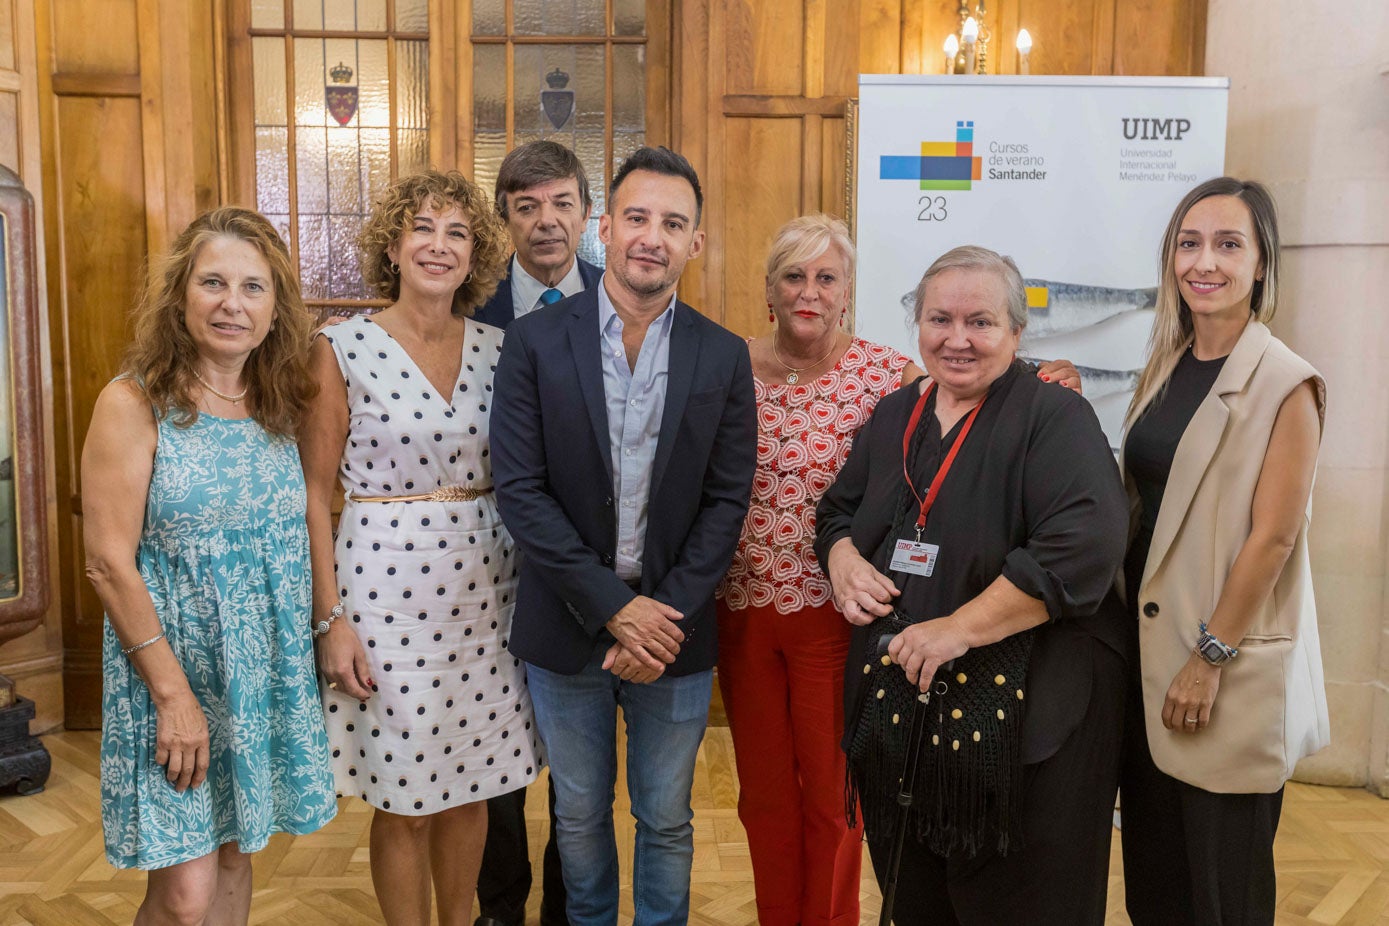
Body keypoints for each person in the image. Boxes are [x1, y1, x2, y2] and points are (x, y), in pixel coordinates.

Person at [717, 215, 1083, 926]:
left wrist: (1047, 373)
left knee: (834, 795)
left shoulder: (889, 374)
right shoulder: (729, 366)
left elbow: (975, 382)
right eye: (793, 275)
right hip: (743, 607)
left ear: (848, 290)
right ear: (769, 288)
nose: (809, 292)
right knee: (761, 794)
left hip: (840, 614)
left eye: (826, 278)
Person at [815, 245, 1129, 925]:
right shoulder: (897, 413)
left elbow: (1085, 546)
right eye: (939, 319)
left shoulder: (1054, 416)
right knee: (919, 902)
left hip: (1025, 737)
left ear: (1016, 333)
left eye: (979, 322)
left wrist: (959, 629)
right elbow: (837, 509)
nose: (956, 339)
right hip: (906, 726)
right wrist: (840, 558)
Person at [491, 146, 757, 925]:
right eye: (637, 217)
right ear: (605, 227)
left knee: (667, 819)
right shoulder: (534, 343)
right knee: (574, 818)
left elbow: (725, 501)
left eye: (673, 223)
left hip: (673, 636)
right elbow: (522, 492)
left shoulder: (722, 353)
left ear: (695, 243)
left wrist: (657, 618)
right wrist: (614, 608)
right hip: (566, 623)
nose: (653, 236)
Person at [303, 170, 543, 926]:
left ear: (476, 254)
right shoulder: (339, 348)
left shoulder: (503, 349)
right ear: (393, 246)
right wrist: (330, 618)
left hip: (486, 593)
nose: (439, 246)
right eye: (423, 229)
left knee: (472, 788)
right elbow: (312, 495)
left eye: (457, 232)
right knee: (404, 799)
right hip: (382, 596)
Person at [84, 207, 337, 923]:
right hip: (170, 677)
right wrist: (172, 696)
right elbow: (107, 562)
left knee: (232, 855)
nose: (233, 304)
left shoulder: (277, 403)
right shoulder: (133, 403)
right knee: (185, 898)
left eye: (254, 288)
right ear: (180, 295)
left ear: (275, 309)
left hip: (256, 679)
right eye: (214, 283)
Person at [1118, 178, 1327, 926]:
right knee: (1157, 887)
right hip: (1143, 664)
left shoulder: (1285, 383)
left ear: (1261, 264)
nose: (1203, 262)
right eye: (1188, 242)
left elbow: (1272, 537)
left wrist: (1209, 659)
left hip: (1215, 669)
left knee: (1221, 897)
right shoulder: (1167, 362)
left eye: (1227, 244)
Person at [472, 139, 602, 926]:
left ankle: (566, 909)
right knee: (495, 745)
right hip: (482, 562)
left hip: (583, 571)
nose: (546, 222)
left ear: (586, 213)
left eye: (560, 204)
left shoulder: (624, 301)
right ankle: (498, 906)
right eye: (526, 207)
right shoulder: (467, 309)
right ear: (505, 220)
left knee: (577, 762)